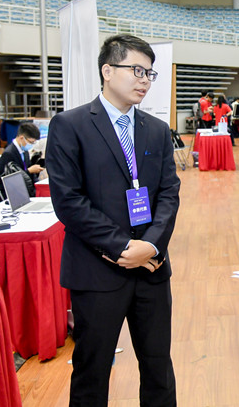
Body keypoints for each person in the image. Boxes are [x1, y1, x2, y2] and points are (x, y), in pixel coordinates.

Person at [47, 34, 180, 407]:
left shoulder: (156, 129)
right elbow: (69, 201)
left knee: (158, 369)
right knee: (92, 372)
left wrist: (150, 245)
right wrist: (122, 247)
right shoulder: (70, 125)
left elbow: (168, 194)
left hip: (151, 268)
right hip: (97, 271)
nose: (144, 80)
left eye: (149, 73)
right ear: (107, 71)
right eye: (136, 70)